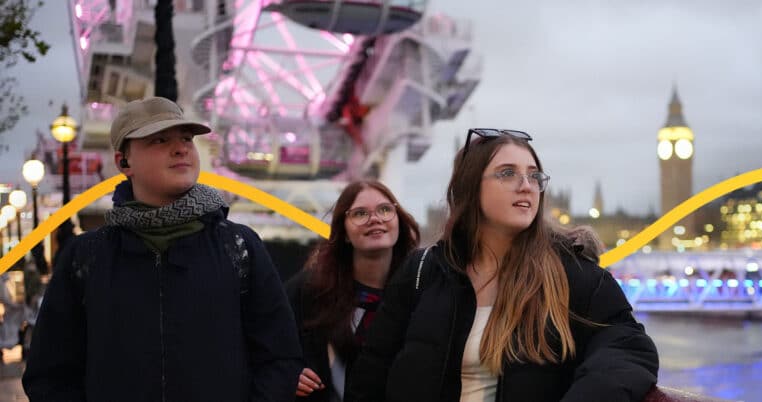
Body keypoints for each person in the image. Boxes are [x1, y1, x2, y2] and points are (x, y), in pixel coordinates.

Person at [22, 97, 304, 402]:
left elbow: (280, 358)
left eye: (186, 138)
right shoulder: (85, 258)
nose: (181, 148)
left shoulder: (240, 247)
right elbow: (49, 375)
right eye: (159, 139)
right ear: (123, 162)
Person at [349, 128, 659, 402]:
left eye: (534, 175)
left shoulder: (575, 275)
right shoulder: (422, 271)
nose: (526, 185)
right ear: (471, 186)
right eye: (507, 173)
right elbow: (372, 370)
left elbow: (629, 349)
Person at [286, 180, 420, 401]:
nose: (375, 219)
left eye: (385, 210)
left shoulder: (420, 290)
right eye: (360, 214)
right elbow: (264, 342)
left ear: (398, 220)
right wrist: (287, 372)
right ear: (344, 232)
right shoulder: (310, 289)